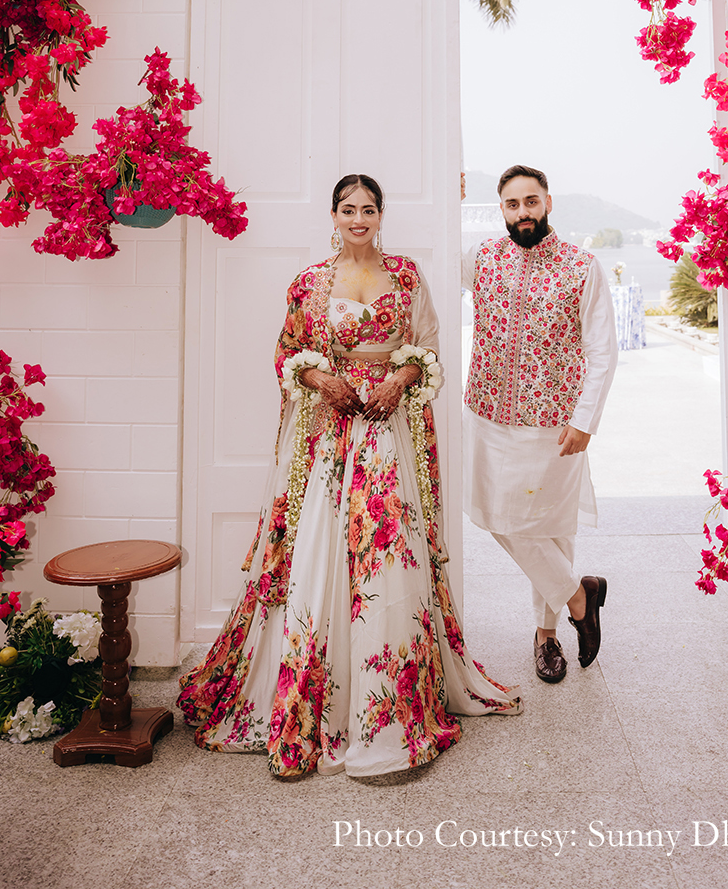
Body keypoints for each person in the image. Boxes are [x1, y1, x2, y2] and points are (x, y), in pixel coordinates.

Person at [178, 173, 520, 778]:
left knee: (386, 551)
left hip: (386, 427)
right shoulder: (310, 282)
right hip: (329, 429)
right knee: (319, 547)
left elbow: (429, 347)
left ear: (382, 215)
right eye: (347, 209)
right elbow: (286, 351)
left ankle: (385, 703)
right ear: (333, 216)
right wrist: (319, 379)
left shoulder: (407, 276)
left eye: (368, 209)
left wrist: (399, 380)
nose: (358, 219)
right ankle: (316, 698)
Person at [462, 164, 619, 685]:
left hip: (555, 426)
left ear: (548, 202)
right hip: (488, 418)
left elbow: (602, 351)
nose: (523, 212)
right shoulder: (480, 257)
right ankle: (579, 597)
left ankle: (546, 635)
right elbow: (428, 261)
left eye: (531, 201)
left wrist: (585, 421)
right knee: (498, 518)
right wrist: (446, 196)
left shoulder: (581, 267)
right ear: (500, 209)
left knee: (551, 528)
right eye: (512, 204)